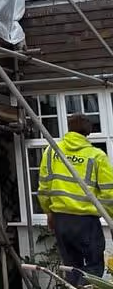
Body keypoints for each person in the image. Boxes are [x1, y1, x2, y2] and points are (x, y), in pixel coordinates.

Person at [38, 114, 113, 286]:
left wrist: (48, 212)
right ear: (88, 132)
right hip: (85, 222)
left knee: (71, 268)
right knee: (93, 268)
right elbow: (109, 193)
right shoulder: (96, 156)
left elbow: (44, 187)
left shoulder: (51, 152)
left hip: (60, 220)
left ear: (69, 128)